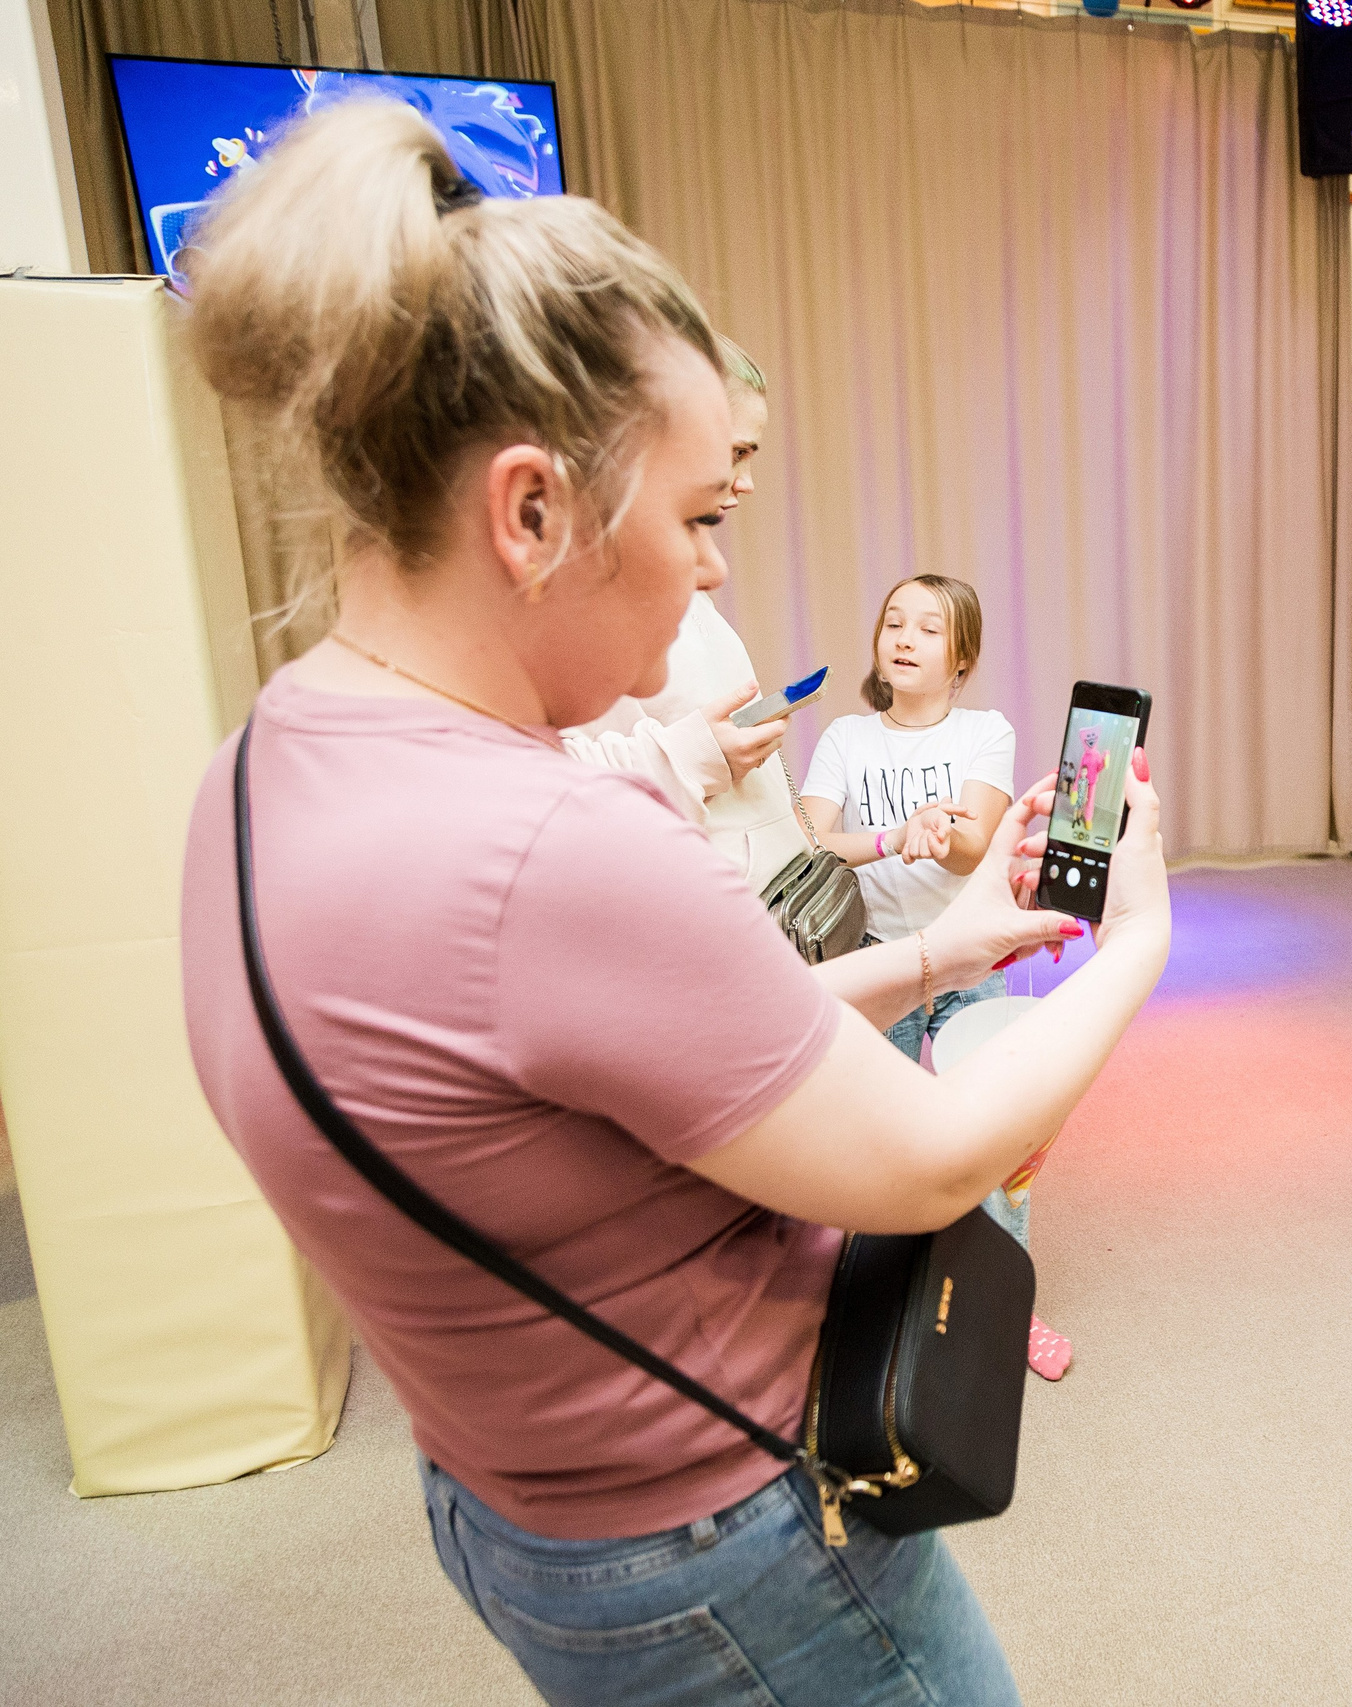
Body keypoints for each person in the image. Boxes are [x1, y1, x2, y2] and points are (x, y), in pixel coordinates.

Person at [175, 102, 1169, 1707]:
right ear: (529, 510)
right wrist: (1135, 943)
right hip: (727, 1535)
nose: (718, 572)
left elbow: (611, 1069)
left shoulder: (265, 760)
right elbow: (927, 1161)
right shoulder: (544, 843)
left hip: (514, 1490)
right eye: (703, 513)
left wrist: (935, 944)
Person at [795, 576, 1076, 1379]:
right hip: (880, 958)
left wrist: (939, 834)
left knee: (993, 1138)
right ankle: (878, 1310)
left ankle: (1005, 1304)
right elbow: (812, 842)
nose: (905, 637)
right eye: (893, 622)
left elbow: (974, 840)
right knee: (876, 1143)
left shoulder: (985, 729)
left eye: (927, 627)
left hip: (970, 954)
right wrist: (892, 836)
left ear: (963, 657)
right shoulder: (847, 736)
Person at [559, 337, 807, 894]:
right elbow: (552, 783)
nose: (744, 482)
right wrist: (698, 755)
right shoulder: (579, 603)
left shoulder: (688, 580)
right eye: (737, 453)